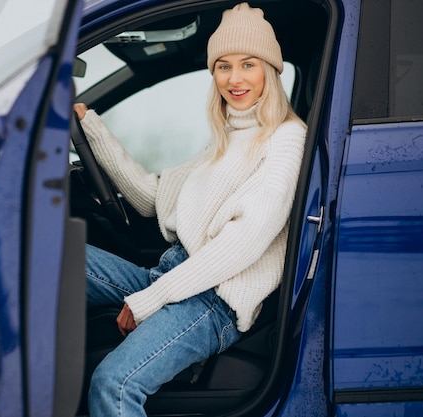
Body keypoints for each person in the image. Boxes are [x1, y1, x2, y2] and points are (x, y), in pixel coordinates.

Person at [73, 3, 307, 416]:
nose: (234, 79)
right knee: (50, 257)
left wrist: (150, 299)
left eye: (248, 64)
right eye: (223, 66)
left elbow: (241, 244)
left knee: (114, 385)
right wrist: (89, 127)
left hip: (214, 301)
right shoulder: (224, 137)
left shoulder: (286, 139)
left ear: (270, 71)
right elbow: (152, 198)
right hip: (175, 273)